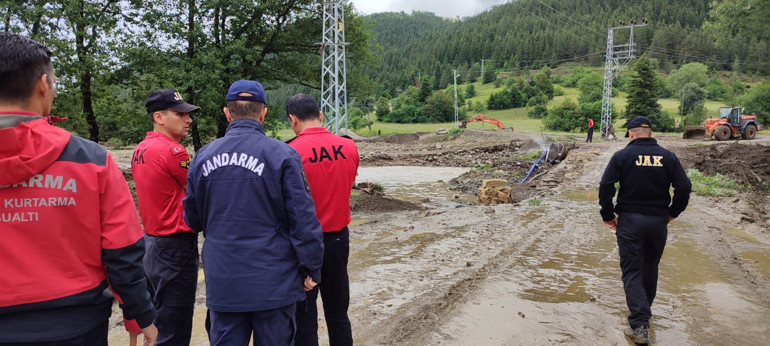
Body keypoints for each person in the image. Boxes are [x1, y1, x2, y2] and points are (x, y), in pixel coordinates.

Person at [0, 32, 157, 345]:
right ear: (43, 85)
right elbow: (122, 252)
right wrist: (139, 313)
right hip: (75, 325)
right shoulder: (92, 160)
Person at [183, 80, 324, 345]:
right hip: (274, 282)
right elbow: (303, 220)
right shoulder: (282, 154)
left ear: (228, 113)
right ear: (263, 114)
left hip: (224, 283)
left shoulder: (202, 157)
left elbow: (192, 219)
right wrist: (311, 268)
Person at [598, 116, 691, 345]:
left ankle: (640, 326)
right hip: (657, 222)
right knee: (650, 268)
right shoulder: (668, 157)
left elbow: (606, 186)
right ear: (650, 133)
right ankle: (643, 313)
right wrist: (672, 212)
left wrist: (608, 215)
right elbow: (684, 187)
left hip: (630, 221)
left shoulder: (622, 156)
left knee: (632, 271)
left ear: (631, 133)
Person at [286, 94, 359, 346]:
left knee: (304, 319)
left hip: (302, 245)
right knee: (338, 314)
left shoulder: (289, 152)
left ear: (292, 120)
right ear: (320, 116)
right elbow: (348, 185)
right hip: (338, 240)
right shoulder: (349, 146)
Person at [132, 89, 199, 345]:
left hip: (152, 242)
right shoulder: (173, 152)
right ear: (159, 117)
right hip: (175, 246)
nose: (188, 119)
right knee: (175, 325)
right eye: (180, 114)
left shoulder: (142, 148)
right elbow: (196, 192)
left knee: (160, 319)